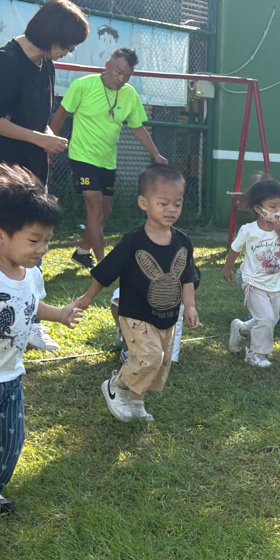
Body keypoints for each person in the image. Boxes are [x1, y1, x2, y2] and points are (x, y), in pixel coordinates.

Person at [0, 0, 89, 351]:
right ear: (50, 34)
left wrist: (47, 136)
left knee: (34, 248)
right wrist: (38, 139)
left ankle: (30, 323)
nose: (70, 50)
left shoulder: (45, 63)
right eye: (68, 43)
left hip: (31, 176)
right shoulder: (6, 61)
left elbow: (36, 116)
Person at [0, 163, 84, 514]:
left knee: (10, 441)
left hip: (10, 379)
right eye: (33, 240)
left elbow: (30, 304)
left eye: (47, 241)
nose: (42, 248)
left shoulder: (30, 275)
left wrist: (59, 314)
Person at [79, 164, 200, 422]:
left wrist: (190, 306)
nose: (171, 209)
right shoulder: (133, 240)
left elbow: (187, 276)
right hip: (136, 312)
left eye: (177, 204)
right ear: (144, 203)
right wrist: (88, 297)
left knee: (160, 361)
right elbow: (107, 270)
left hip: (167, 315)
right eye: (163, 203)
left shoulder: (183, 241)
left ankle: (136, 402)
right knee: (149, 357)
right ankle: (116, 386)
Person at [49, 47, 169, 269]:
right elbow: (60, 114)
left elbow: (137, 127)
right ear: (107, 66)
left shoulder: (129, 94)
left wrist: (156, 154)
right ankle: (103, 264)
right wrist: (48, 146)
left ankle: (82, 252)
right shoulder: (82, 85)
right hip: (82, 157)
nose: (121, 79)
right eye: (118, 72)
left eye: (127, 76)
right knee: (94, 206)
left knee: (105, 211)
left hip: (107, 160)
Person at [222, 177, 280, 368]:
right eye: (273, 207)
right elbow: (235, 249)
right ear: (259, 209)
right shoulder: (248, 230)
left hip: (275, 284)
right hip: (253, 282)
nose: (279, 211)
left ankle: (241, 330)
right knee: (265, 319)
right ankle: (256, 354)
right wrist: (228, 267)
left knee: (269, 320)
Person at [234, 215, 280, 326]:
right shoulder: (273, 253)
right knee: (263, 294)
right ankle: (254, 317)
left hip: (269, 278)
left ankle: (273, 315)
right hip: (250, 278)